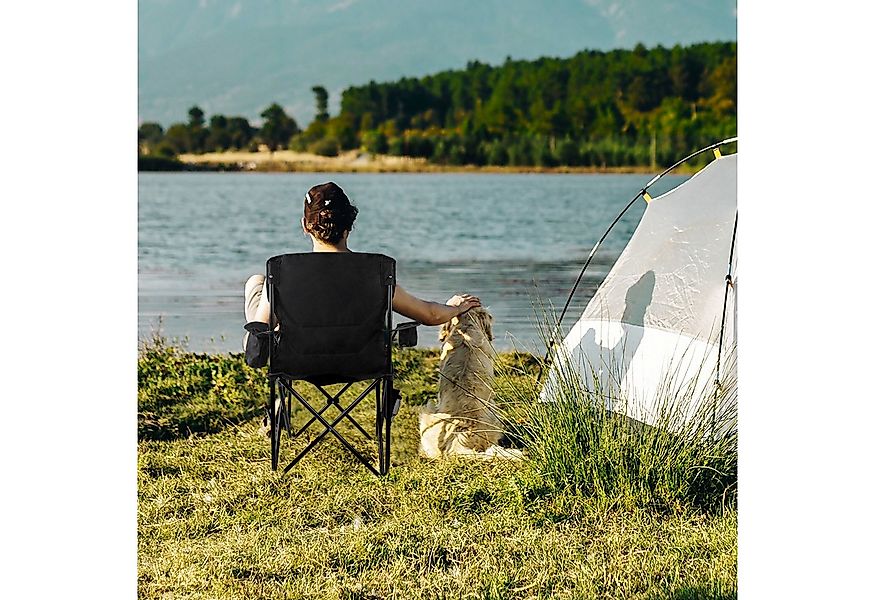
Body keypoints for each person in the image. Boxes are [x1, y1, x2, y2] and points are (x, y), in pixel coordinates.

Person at [243, 181, 481, 349]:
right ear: (350, 224)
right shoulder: (374, 272)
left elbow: (259, 333)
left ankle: (277, 410)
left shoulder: (283, 272)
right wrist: (457, 309)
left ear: (306, 226)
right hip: (363, 362)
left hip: (295, 360)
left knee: (258, 283)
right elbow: (429, 314)